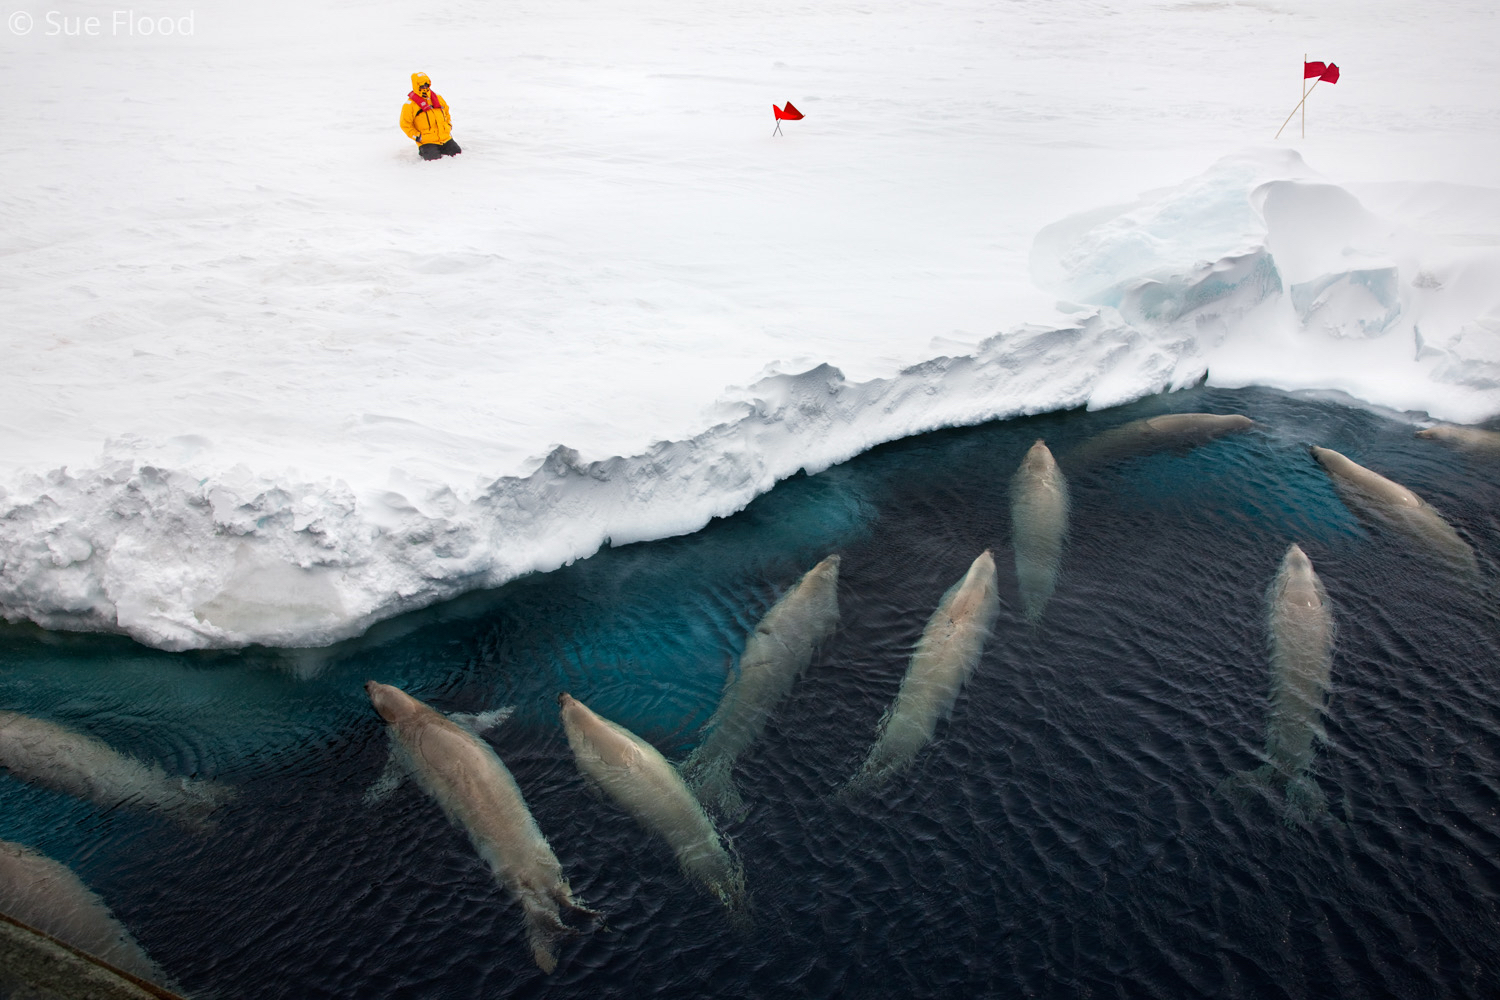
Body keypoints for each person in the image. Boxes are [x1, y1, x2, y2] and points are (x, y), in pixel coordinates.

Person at [401, 72, 461, 160]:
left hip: (445, 137)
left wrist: (449, 125)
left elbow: (447, 112)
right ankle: (424, 151)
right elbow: (405, 124)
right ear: (416, 86)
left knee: (457, 154)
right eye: (422, 86)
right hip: (427, 141)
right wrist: (417, 136)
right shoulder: (410, 105)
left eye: (426, 85)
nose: (425, 87)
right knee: (433, 160)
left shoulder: (438, 98)